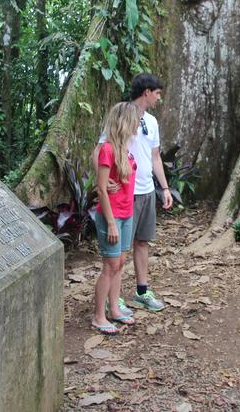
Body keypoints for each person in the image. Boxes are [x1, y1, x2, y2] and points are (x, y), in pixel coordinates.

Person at [93, 73, 173, 315]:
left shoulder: (152, 121)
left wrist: (164, 187)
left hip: (147, 190)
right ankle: (112, 300)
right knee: (119, 254)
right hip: (125, 195)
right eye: (157, 93)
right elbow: (99, 152)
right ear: (146, 92)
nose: (159, 98)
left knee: (142, 242)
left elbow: (155, 156)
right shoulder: (121, 118)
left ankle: (141, 291)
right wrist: (104, 183)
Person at [91, 102, 139, 335]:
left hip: (127, 214)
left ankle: (115, 309)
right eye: (134, 119)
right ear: (124, 121)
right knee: (110, 266)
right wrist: (111, 222)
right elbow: (101, 189)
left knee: (119, 264)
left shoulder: (126, 149)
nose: (137, 123)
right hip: (112, 217)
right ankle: (98, 316)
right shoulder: (107, 149)